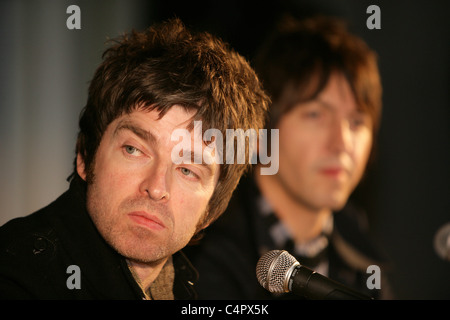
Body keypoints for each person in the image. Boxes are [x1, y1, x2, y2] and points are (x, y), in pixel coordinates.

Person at [0, 18, 269, 299]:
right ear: (85, 156)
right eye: (134, 150)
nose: (156, 188)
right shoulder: (16, 279)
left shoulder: (185, 291)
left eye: (187, 170)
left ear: (211, 212)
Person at [185, 15, 392, 299]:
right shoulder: (202, 253)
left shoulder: (362, 257)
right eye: (315, 115)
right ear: (260, 133)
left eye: (357, 122)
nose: (342, 142)